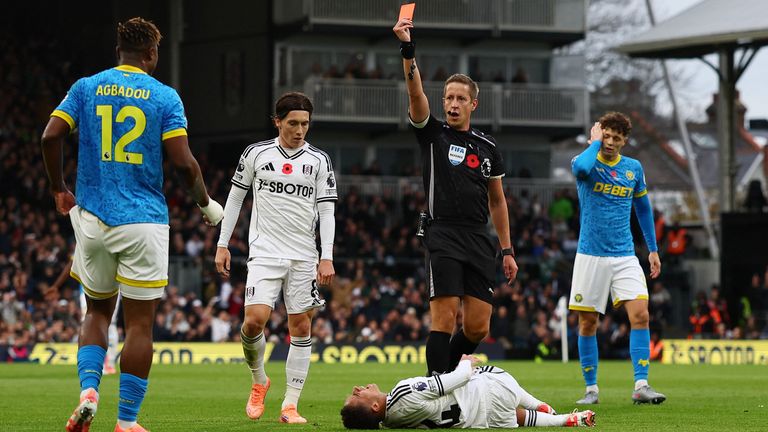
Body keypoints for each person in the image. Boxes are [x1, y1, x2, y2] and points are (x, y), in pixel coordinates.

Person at [41, 17, 223, 432]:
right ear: (152, 54)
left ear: (117, 50)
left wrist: (58, 188)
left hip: (90, 217)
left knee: (98, 313)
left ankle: (89, 391)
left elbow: (50, 136)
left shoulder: (86, 87)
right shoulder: (164, 96)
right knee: (139, 324)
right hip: (143, 220)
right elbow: (183, 163)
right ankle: (126, 421)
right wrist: (206, 204)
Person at [392, 18, 518, 377]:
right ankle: (436, 391)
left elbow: (498, 201)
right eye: (448, 97)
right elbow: (416, 95)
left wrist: (506, 250)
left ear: (473, 104)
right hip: (443, 233)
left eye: (461, 98)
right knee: (444, 317)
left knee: (478, 327)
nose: (453, 103)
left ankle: (445, 376)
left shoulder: (488, 147)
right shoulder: (432, 134)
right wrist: (408, 51)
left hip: (479, 238)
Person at [214, 92, 337, 424]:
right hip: (264, 253)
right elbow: (235, 199)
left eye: (305, 124)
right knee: (253, 321)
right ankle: (259, 381)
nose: (300, 130)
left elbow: (327, 212)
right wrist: (222, 244)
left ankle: (290, 405)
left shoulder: (320, 161)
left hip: (302, 257)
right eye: (293, 123)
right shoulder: (256, 154)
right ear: (278, 121)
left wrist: (326, 256)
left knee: (301, 325)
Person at [569, 112, 664, 405]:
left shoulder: (633, 169)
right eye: (606, 136)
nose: (610, 142)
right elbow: (582, 169)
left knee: (641, 315)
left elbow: (644, 210)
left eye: (616, 138)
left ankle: (641, 385)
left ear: (625, 141)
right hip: (590, 255)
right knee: (588, 324)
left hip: (624, 255)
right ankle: (591, 390)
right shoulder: (585, 160)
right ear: (599, 135)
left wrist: (652, 248)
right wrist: (593, 144)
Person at [340, 354, 596, 429]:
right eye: (358, 395)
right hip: (491, 389)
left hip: (480, 419)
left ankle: (565, 420)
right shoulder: (402, 391)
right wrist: (465, 360)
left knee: (518, 418)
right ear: (374, 407)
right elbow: (459, 378)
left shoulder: (391, 422)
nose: (358, 388)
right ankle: (542, 405)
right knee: (490, 373)